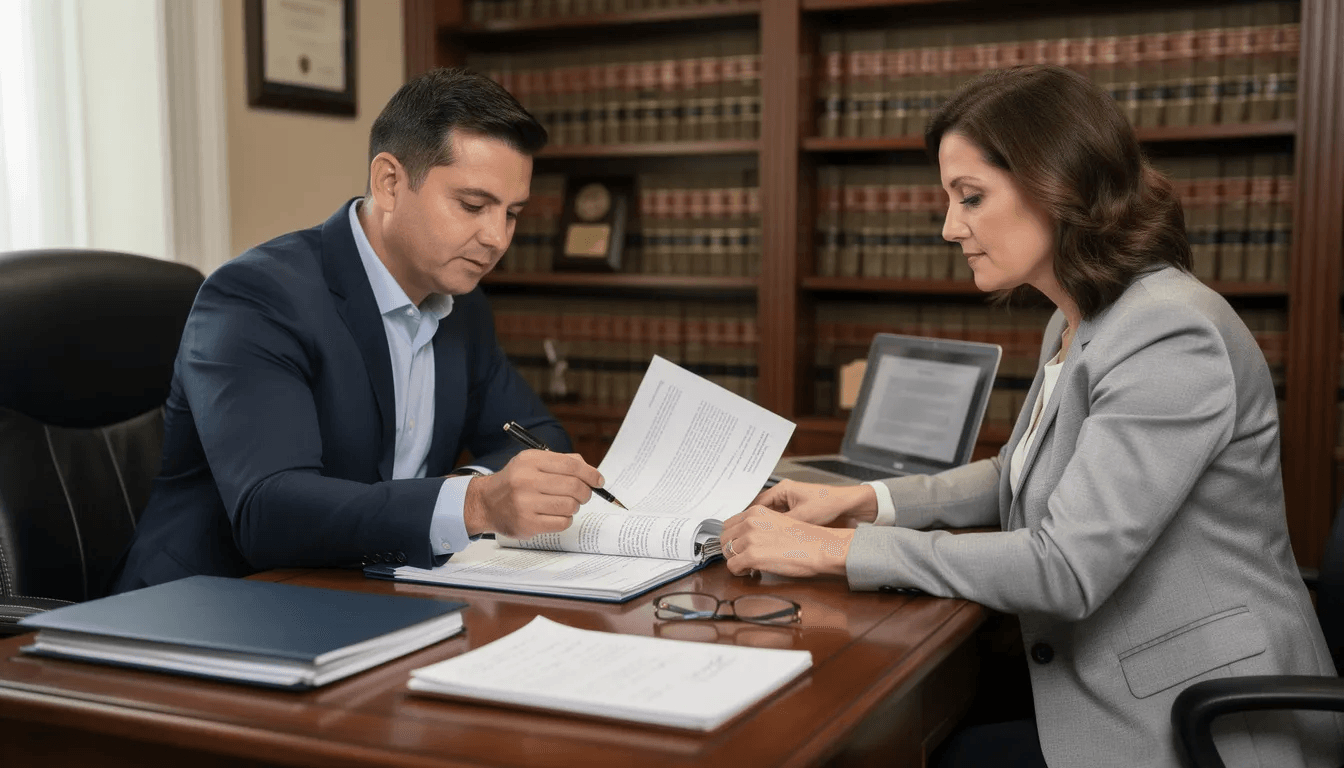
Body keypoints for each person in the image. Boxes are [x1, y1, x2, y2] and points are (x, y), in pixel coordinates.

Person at [720, 64, 1343, 768]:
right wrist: (863, 501)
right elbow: (1018, 470)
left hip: (1205, 718)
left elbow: (1066, 567)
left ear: (1059, 183)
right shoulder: (1077, 317)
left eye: (971, 197)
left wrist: (834, 551)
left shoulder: (1169, 332)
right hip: (1113, 673)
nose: (951, 228)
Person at [112, 68, 604, 592]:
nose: (496, 238)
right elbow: (270, 511)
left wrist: (466, 493)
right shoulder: (255, 297)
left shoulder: (464, 306)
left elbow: (541, 437)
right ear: (389, 182)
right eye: (473, 206)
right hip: (207, 605)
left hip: (364, 591)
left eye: (512, 214)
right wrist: (475, 504)